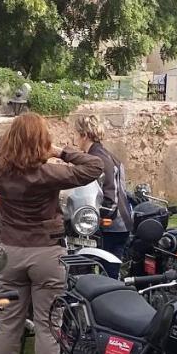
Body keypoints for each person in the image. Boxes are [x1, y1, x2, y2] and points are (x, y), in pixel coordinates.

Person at [0, 113, 103, 354]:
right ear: (41, 142)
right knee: (49, 326)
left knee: (9, 323)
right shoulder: (50, 172)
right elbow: (94, 166)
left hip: (10, 252)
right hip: (46, 253)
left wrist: (3, 142)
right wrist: (58, 151)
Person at [73, 114, 133, 276]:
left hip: (113, 225)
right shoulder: (106, 154)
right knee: (107, 271)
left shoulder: (97, 158)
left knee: (107, 274)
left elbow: (110, 195)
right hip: (121, 222)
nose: (74, 139)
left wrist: (97, 220)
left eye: (76, 135)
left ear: (84, 135)